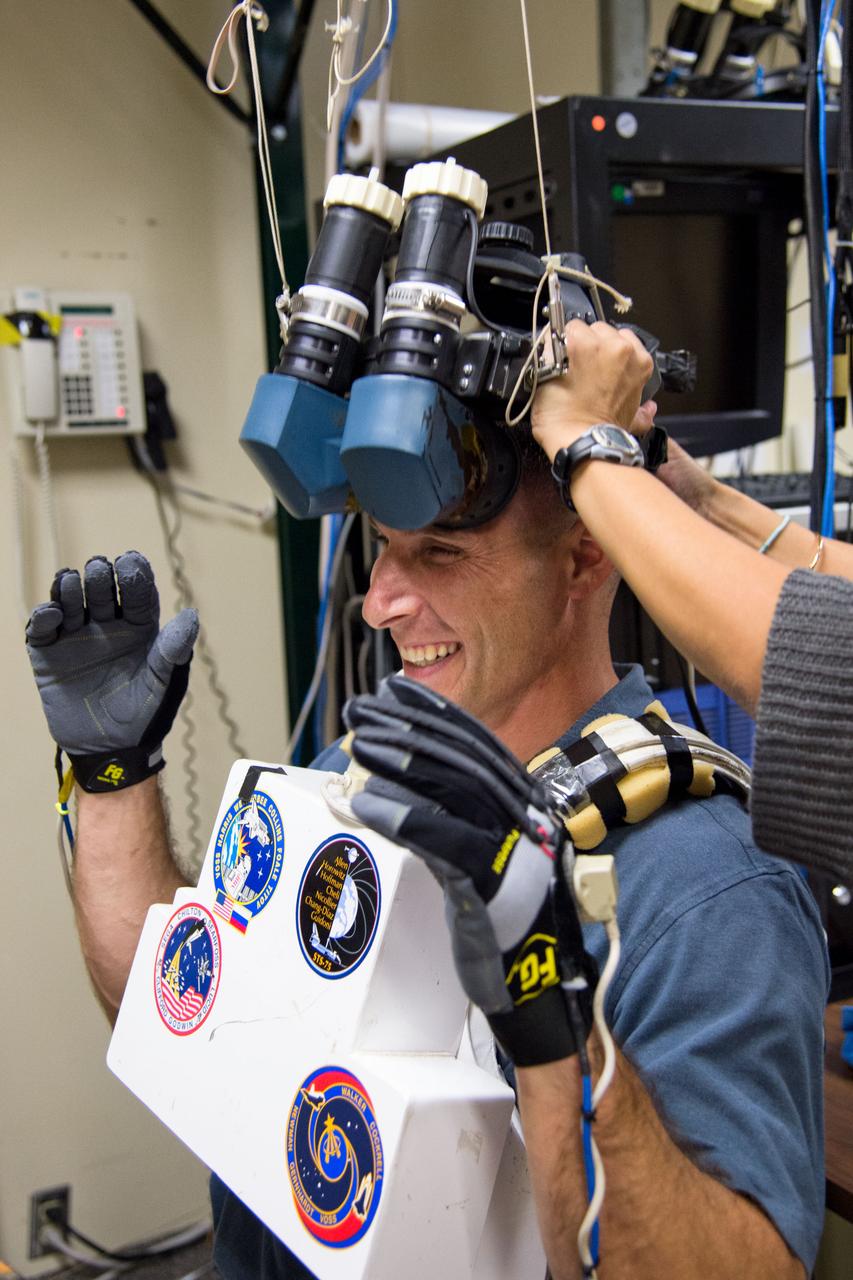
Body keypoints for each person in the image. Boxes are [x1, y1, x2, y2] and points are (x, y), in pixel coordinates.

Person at [26, 363, 828, 1280]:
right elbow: (181, 1015)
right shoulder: (358, 770)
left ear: (584, 554)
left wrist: (555, 1014)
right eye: (381, 550)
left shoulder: (701, 889)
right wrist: (111, 775)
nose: (380, 603)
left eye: (441, 553)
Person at [530, 318, 853, 884]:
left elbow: (831, 679)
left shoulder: (708, 883)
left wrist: (582, 435)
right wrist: (706, 506)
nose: (378, 604)